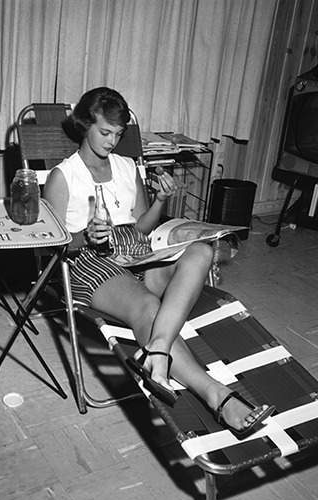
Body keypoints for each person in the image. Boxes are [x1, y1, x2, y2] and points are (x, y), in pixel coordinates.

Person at [43, 87, 272, 435]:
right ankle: (217, 395)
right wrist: (85, 236)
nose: (111, 141)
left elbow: (141, 227)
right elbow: (51, 245)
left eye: (118, 135)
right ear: (84, 125)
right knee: (148, 306)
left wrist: (161, 200)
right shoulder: (64, 176)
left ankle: (158, 350)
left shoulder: (125, 166)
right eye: (105, 132)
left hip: (136, 250)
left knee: (201, 251)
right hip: (88, 260)